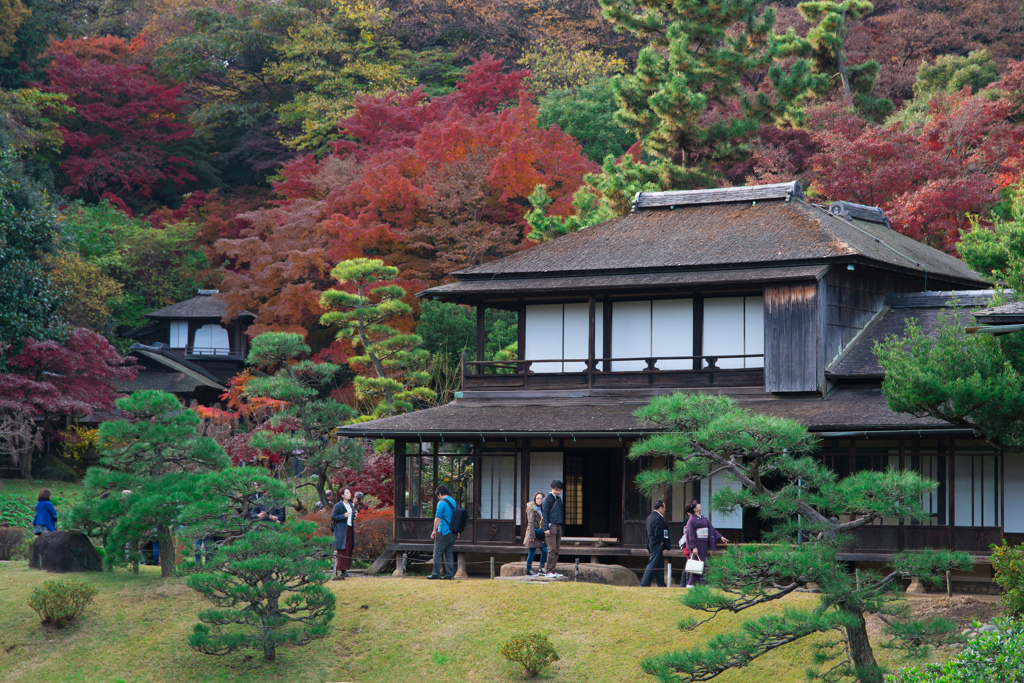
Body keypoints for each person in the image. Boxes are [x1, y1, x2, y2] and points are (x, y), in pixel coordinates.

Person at [683, 500, 728, 588]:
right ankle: (692, 583)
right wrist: (693, 547)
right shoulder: (691, 520)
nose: (699, 505)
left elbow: (711, 529)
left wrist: (720, 537)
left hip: (703, 544)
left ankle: (701, 583)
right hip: (697, 544)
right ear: (695, 509)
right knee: (696, 564)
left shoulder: (703, 518)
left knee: (702, 563)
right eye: (697, 504)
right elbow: (691, 534)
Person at [427, 485, 459, 580]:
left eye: (438, 496)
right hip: (453, 532)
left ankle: (436, 574)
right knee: (448, 553)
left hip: (444, 531)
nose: (438, 498)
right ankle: (450, 575)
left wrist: (434, 530)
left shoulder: (441, 503)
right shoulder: (455, 503)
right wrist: (458, 531)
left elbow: (437, 518)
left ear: (440, 494)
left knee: (437, 552)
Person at [640, 500, 670, 587]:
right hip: (657, 544)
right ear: (660, 508)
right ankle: (644, 584)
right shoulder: (659, 518)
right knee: (652, 564)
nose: (664, 510)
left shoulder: (649, 517)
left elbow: (646, 532)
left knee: (659, 564)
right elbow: (658, 533)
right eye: (664, 508)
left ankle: (661, 584)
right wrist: (661, 543)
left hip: (651, 543)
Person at [331, 487, 357, 580]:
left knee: (349, 548)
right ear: (342, 495)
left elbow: (351, 517)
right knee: (342, 549)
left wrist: (354, 516)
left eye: (349, 493)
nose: (349, 494)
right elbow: (333, 517)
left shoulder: (350, 505)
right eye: (347, 493)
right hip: (341, 530)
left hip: (349, 528)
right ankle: (343, 570)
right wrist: (343, 516)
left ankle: (345, 569)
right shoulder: (338, 505)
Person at [541, 480, 565, 578]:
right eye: (557, 490)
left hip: (558, 525)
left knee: (557, 549)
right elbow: (545, 515)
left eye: (560, 490)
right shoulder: (547, 499)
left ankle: (553, 570)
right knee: (552, 549)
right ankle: (548, 571)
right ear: (552, 488)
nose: (558, 492)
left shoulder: (559, 499)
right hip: (551, 526)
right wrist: (546, 528)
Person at [524, 492, 548, 576]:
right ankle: (528, 570)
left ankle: (541, 568)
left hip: (540, 533)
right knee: (532, 553)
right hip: (533, 532)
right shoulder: (531, 508)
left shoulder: (543, 508)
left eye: (541, 498)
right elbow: (530, 522)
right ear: (535, 499)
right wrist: (532, 536)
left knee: (545, 551)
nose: (539, 500)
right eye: (538, 498)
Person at [677, 505, 694, 587]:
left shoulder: (688, 520)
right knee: (689, 562)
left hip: (688, 543)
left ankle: (683, 582)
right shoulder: (688, 521)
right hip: (688, 543)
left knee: (688, 563)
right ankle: (686, 582)